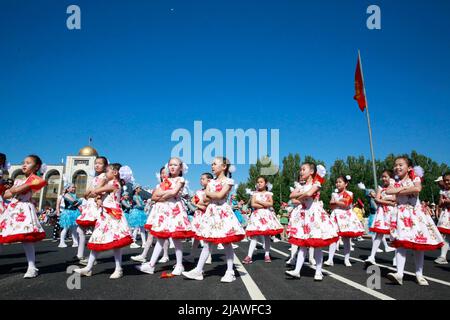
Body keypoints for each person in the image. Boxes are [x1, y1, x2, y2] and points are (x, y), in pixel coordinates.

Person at [183, 157, 245, 283]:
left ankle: (230, 271)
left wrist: (209, 195)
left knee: (227, 242)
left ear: (224, 167)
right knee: (207, 242)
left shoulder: (229, 181)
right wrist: (211, 196)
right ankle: (198, 271)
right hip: (211, 213)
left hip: (222, 213)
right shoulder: (211, 182)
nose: (212, 166)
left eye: (215, 164)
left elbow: (219, 196)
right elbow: (205, 199)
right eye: (212, 164)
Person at [386, 157, 444, 285]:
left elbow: (417, 189)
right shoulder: (393, 180)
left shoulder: (415, 178)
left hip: (415, 214)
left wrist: (399, 191)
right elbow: (389, 191)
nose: (397, 167)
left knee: (418, 244)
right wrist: (405, 190)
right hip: (401, 215)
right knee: (401, 242)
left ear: (409, 168)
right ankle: (399, 274)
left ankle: (419, 274)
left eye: (401, 165)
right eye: (395, 165)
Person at [74, 163, 134, 279]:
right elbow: (98, 194)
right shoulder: (110, 184)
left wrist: (97, 190)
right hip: (105, 215)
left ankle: (118, 268)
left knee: (116, 243)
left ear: (115, 173)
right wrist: (98, 198)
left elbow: (96, 191)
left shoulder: (114, 184)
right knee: (97, 240)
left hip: (113, 215)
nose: (105, 174)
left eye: (107, 171)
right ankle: (88, 268)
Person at [136, 157, 194, 276]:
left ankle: (179, 265)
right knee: (161, 238)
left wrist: (162, 195)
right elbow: (154, 196)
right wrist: (165, 195)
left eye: (175, 165)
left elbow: (173, 193)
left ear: (181, 168)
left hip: (175, 210)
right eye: (170, 165)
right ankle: (151, 265)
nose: (172, 167)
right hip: (164, 211)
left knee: (176, 238)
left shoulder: (180, 179)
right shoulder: (166, 180)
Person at [285, 163, 338, 281]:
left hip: (314, 215)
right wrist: (302, 195)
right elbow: (291, 195)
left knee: (317, 245)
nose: (301, 171)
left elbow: (308, 194)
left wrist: (299, 196)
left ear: (311, 171)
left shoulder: (316, 183)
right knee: (302, 245)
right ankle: (297, 270)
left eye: (304, 169)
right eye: (300, 169)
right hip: (303, 216)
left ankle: (318, 272)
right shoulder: (301, 185)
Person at [0, 155, 47, 278]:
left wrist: (15, 189)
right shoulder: (19, 180)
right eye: (23, 162)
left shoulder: (36, 179)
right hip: (12, 209)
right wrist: (15, 189)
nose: (24, 165)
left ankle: (32, 267)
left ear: (36, 166)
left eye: (28, 162)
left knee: (27, 239)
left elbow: (14, 191)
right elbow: (6, 195)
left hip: (24, 209)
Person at [131, 166, 170, 264]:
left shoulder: (171, 184)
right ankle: (144, 255)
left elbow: (166, 197)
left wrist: (155, 199)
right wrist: (153, 200)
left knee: (164, 235)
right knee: (151, 234)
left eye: (165, 173)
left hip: (166, 211)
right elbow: (154, 197)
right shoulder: (158, 185)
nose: (163, 175)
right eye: (162, 173)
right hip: (156, 211)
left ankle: (165, 255)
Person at [325, 175, 364, 267]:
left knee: (346, 239)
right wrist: (337, 202)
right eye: (337, 182)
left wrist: (336, 202)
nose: (337, 184)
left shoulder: (349, 193)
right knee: (334, 238)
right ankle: (330, 259)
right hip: (335, 216)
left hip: (346, 217)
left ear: (346, 184)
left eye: (340, 182)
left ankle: (347, 259)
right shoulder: (334, 194)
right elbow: (331, 205)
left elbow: (346, 204)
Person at [243, 176, 283, 264]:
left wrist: (260, 202)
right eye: (258, 182)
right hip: (257, 216)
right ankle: (249, 255)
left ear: (265, 183)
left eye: (261, 182)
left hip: (266, 215)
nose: (259, 183)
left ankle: (267, 254)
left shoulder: (269, 193)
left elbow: (271, 203)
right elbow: (253, 204)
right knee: (254, 236)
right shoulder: (254, 194)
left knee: (267, 236)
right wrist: (265, 205)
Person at [76, 156, 108, 264]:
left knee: (96, 232)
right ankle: (80, 255)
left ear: (105, 166)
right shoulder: (95, 177)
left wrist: (90, 194)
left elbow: (95, 191)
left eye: (100, 163)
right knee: (80, 230)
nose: (97, 165)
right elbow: (87, 192)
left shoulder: (104, 176)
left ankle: (91, 258)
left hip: (97, 206)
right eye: (95, 163)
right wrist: (89, 194)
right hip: (90, 206)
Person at [365, 170, 397, 265]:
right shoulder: (380, 188)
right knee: (379, 234)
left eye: (385, 176)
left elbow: (395, 199)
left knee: (394, 235)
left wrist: (384, 199)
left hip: (392, 213)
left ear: (391, 178)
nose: (383, 179)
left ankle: (396, 258)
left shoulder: (395, 187)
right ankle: (372, 256)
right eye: (382, 177)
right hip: (382, 213)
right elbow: (377, 200)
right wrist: (389, 201)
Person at [184, 172, 213, 263]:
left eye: (203, 179)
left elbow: (206, 205)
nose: (200, 180)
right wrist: (196, 204)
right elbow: (194, 202)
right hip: (198, 216)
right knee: (196, 237)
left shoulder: (211, 192)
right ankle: (192, 255)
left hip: (206, 216)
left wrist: (197, 204)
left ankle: (209, 256)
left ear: (209, 180)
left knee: (207, 237)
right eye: (200, 179)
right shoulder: (199, 191)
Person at [56, 184, 81, 248]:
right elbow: (74, 202)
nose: (74, 188)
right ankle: (61, 242)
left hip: (75, 212)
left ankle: (75, 242)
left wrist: (79, 201)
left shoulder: (74, 195)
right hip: (68, 213)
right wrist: (80, 201)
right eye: (72, 187)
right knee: (65, 228)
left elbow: (76, 203)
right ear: (67, 189)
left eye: (74, 187)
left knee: (74, 229)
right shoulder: (66, 195)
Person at [435, 172, 450, 265]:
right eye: (445, 180)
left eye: (449, 180)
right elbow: (440, 203)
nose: (447, 182)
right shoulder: (443, 191)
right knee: (446, 235)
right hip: (446, 214)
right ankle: (443, 256)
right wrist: (444, 202)